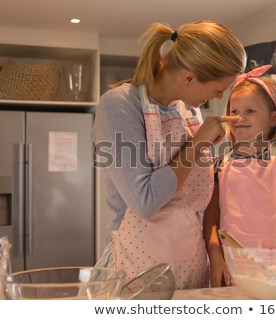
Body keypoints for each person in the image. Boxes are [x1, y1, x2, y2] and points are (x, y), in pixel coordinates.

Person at [92, 21, 246, 290]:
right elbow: (145, 201)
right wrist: (197, 145)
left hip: (190, 262)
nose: (220, 97)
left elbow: (194, 195)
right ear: (189, 78)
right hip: (137, 269)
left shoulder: (188, 111)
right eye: (219, 89)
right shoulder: (119, 105)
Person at [203, 65, 276, 287]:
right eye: (234, 111)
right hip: (234, 270)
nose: (239, 118)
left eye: (250, 111)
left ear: (274, 118)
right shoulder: (220, 163)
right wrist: (215, 258)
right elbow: (211, 219)